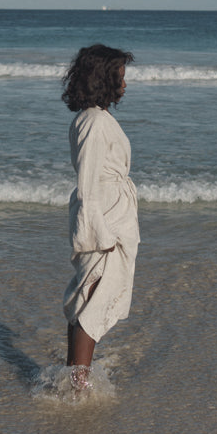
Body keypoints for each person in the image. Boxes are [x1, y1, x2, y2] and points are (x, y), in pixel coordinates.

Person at [61, 44, 140, 390]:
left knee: (88, 295)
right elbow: (89, 184)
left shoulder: (95, 119)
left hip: (109, 214)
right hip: (103, 219)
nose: (125, 83)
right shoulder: (94, 123)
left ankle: (72, 373)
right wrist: (98, 232)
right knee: (94, 298)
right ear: (104, 78)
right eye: (120, 75)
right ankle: (79, 383)